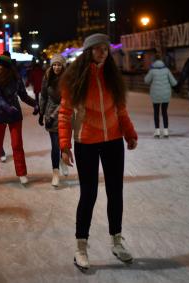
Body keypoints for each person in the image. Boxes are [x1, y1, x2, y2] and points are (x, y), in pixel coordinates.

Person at [58, 33, 138, 270]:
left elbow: (121, 110)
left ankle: (116, 241)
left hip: (113, 140)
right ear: (88, 51)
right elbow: (64, 114)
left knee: (116, 192)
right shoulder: (76, 79)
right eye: (97, 49)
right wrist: (64, 145)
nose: (102, 52)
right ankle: (81, 247)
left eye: (105, 49)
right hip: (87, 142)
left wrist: (129, 133)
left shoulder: (113, 77)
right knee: (89, 194)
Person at [0, 55, 37, 185]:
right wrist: (7, 108)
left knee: (17, 144)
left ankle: (22, 173)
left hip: (14, 115)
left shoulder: (16, 79)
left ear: (6, 67)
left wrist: (36, 104)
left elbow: (24, 96)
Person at [38, 54, 68, 187]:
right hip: (50, 114)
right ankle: (55, 172)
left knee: (64, 143)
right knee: (55, 144)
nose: (56, 67)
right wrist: (41, 112)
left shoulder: (68, 79)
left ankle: (63, 159)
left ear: (63, 66)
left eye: (59, 65)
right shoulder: (47, 77)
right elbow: (43, 96)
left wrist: (52, 115)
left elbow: (66, 101)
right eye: (54, 64)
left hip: (64, 113)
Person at [144, 53, 177, 138]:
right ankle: (166, 131)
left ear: (154, 61)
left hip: (155, 94)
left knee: (156, 112)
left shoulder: (152, 70)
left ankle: (157, 131)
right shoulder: (166, 70)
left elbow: (146, 81)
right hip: (165, 94)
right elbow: (174, 82)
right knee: (164, 112)